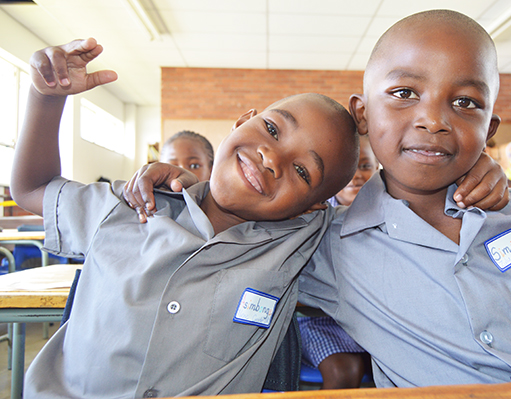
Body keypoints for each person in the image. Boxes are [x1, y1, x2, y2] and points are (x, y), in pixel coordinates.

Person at [139, 9, 511, 388]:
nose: (432, 120)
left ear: (489, 130)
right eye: (404, 93)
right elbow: (231, 224)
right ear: (362, 114)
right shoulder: (324, 246)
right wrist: (186, 188)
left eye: (464, 103)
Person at [11, 38, 364, 398]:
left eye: (303, 172)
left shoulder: (300, 245)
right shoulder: (131, 203)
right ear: (242, 121)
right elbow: (32, 189)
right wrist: (47, 98)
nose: (272, 158)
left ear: (311, 209)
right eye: (272, 129)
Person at [297, 135, 376, 389]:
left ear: (378, 167)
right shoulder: (313, 214)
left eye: (364, 166)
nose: (356, 176)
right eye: (347, 170)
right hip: (321, 320)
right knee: (344, 372)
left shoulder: (388, 210)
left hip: (372, 320)